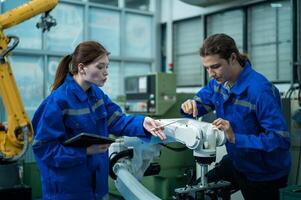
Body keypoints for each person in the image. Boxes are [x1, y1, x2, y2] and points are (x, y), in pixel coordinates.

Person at [32, 41, 166, 200]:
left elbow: (117, 121)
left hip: (97, 187)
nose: (106, 72)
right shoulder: (57, 102)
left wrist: (142, 122)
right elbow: (44, 149)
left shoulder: (97, 95)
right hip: (67, 190)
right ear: (82, 68)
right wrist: (85, 151)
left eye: (107, 67)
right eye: (100, 67)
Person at [181, 33, 291, 200]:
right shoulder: (218, 83)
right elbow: (202, 102)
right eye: (207, 68)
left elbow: (280, 140)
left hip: (265, 173)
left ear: (232, 58)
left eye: (215, 66)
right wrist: (190, 105)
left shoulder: (260, 90)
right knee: (194, 195)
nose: (211, 73)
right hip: (237, 161)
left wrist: (234, 137)